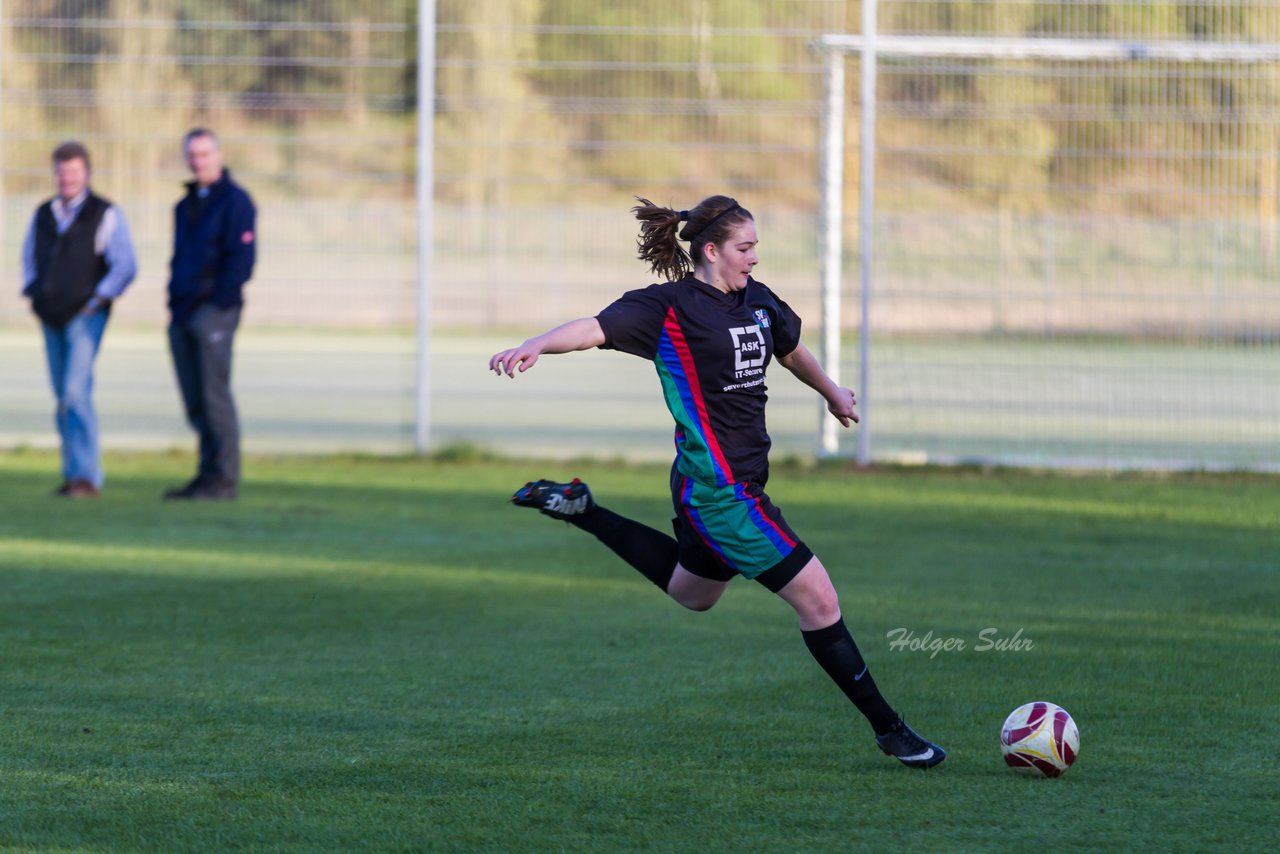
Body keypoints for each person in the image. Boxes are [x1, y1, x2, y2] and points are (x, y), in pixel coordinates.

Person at [490, 195, 945, 769]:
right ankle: (890, 730)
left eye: (755, 247)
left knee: (692, 594)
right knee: (819, 599)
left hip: (729, 481)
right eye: (744, 248)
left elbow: (790, 348)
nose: (754, 258)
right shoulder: (669, 308)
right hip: (720, 492)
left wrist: (830, 390)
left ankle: (584, 510)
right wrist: (536, 345)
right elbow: (594, 328)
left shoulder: (756, 299)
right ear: (711, 250)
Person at [21, 141, 137, 498]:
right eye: (61, 171)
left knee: (76, 392)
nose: (66, 178)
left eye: (73, 171)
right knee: (62, 396)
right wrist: (34, 293)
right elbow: (29, 259)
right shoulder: (44, 214)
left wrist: (98, 299)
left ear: (86, 173)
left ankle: (88, 476)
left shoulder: (105, 213)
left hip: (85, 316)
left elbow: (125, 265)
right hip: (50, 315)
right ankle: (72, 474)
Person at [162, 128, 256, 501]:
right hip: (183, 312)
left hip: (214, 312)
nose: (198, 161)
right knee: (195, 397)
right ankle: (206, 475)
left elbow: (242, 261)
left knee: (215, 394)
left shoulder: (236, 202)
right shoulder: (185, 206)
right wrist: (175, 304)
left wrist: (216, 305)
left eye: (205, 154)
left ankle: (224, 478)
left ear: (218, 155)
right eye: (193, 155)